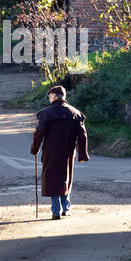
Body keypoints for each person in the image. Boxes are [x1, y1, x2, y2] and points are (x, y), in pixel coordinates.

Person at [30, 85, 90, 220]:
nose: (49, 98)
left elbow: (39, 133)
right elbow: (83, 135)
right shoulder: (75, 114)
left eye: (50, 95)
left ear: (55, 96)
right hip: (68, 152)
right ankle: (66, 209)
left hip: (50, 152)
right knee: (65, 178)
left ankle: (56, 211)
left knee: (52, 179)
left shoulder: (46, 114)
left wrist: (35, 148)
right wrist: (82, 154)